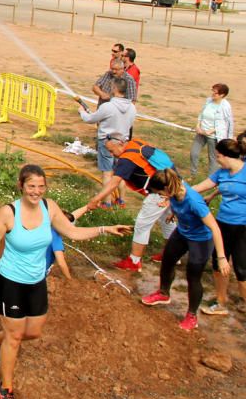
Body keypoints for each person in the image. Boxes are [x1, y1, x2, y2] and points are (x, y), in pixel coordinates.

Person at [0, 165, 130, 399]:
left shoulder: (49, 208)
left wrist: (105, 228)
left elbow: (72, 231)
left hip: (36, 281)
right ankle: (6, 387)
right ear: (21, 186)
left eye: (41, 186)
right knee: (16, 336)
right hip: (10, 282)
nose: (36, 191)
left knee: (34, 331)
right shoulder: (8, 213)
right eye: (31, 186)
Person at [140, 169, 229, 331]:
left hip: (201, 240)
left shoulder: (194, 201)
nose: (160, 196)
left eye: (160, 193)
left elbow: (215, 228)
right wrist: (174, 213)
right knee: (167, 261)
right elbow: (174, 201)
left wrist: (222, 257)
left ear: (167, 188)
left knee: (193, 276)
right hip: (182, 232)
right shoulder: (173, 190)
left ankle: (192, 315)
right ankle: (163, 293)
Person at [76, 134, 176, 271]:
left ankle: (134, 262)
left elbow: (114, 183)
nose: (113, 155)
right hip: (172, 185)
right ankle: (172, 255)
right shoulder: (136, 143)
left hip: (158, 193)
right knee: (167, 220)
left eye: (112, 151)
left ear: (121, 144)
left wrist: (95, 199)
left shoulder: (127, 159)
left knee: (142, 225)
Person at [193, 134, 246, 316]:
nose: (217, 160)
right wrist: (178, 191)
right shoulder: (222, 173)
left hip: (243, 227)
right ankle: (221, 302)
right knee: (218, 263)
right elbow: (201, 186)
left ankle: (245, 301)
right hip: (223, 224)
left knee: (241, 268)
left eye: (218, 156)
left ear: (225, 156)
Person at [77, 77, 136, 207]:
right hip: (123, 144)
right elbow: (130, 125)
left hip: (107, 144)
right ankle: (121, 201)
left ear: (115, 89)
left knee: (107, 173)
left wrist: (81, 112)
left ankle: (107, 202)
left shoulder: (107, 106)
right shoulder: (132, 107)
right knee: (120, 173)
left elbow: (90, 119)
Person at [190, 83, 234, 179]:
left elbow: (226, 122)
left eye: (215, 93)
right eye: (213, 91)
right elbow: (201, 114)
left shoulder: (225, 106)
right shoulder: (208, 101)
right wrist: (198, 125)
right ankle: (193, 174)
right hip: (201, 132)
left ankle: (211, 179)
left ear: (222, 95)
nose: (213, 94)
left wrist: (212, 131)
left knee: (213, 158)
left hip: (214, 136)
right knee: (194, 153)